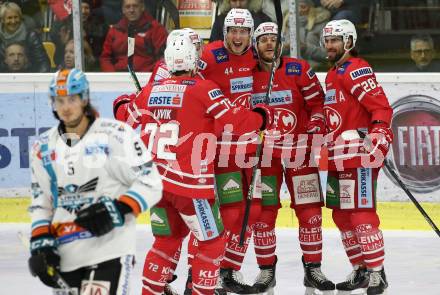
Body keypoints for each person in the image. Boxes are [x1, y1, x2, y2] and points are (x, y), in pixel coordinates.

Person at [114, 32, 275, 295]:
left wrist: (120, 102)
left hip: (155, 183)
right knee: (212, 243)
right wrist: (261, 116)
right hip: (189, 188)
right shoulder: (203, 88)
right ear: (193, 59)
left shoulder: (149, 92)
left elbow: (125, 113)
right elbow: (235, 122)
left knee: (165, 241)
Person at [27, 68, 163, 295]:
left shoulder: (117, 135)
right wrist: (40, 241)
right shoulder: (42, 147)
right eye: (59, 101)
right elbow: (41, 201)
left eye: (72, 99)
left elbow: (150, 181)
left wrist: (118, 209)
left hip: (109, 249)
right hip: (66, 253)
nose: (66, 107)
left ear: (84, 98)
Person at [251, 21, 335, 294]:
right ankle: (266, 271)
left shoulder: (298, 69)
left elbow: (318, 104)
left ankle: (313, 269)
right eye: (263, 39)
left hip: (299, 151)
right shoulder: (247, 74)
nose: (268, 43)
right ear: (256, 44)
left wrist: (316, 124)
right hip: (264, 156)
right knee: (263, 215)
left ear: (281, 43)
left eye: (273, 39)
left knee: (310, 213)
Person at [191, 8, 265, 294]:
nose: (238, 36)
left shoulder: (255, 56)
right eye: (233, 31)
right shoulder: (210, 54)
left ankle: (228, 271)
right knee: (228, 215)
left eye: (243, 31)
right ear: (225, 33)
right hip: (218, 147)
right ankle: (198, 272)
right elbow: (182, 75)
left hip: (248, 144)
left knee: (253, 211)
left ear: (250, 34)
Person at [321, 19, 393, 295]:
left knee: (362, 216)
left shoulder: (356, 69)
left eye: (335, 40)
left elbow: (381, 108)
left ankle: (377, 273)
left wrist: (379, 135)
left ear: (349, 42)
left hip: (359, 156)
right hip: (338, 157)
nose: (330, 45)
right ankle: (361, 269)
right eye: (327, 40)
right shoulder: (332, 74)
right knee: (341, 216)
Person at [100, 0, 168, 72]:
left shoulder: (156, 29)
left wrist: (152, 75)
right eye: (127, 7)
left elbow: (164, 57)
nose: (131, 10)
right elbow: (105, 58)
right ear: (123, 10)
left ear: (142, 7)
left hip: (146, 77)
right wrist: (112, 76)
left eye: (135, 6)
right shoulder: (114, 30)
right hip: (119, 77)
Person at [0, 2, 49, 72]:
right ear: (2, 20)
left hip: (28, 77)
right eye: (9, 18)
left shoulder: (31, 36)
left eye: (16, 17)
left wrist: (35, 80)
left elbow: (43, 63)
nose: (13, 21)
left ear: (20, 18)